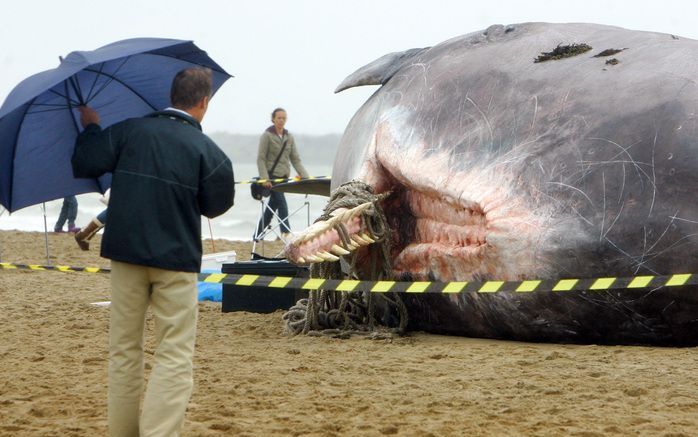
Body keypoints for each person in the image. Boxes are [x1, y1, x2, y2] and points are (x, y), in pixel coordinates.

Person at [71, 67, 235, 437]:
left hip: (126, 254)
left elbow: (86, 161)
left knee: (124, 350)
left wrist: (92, 125)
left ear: (171, 96)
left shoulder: (130, 131)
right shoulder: (208, 151)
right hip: (175, 260)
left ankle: (122, 432)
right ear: (204, 102)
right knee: (174, 353)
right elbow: (216, 205)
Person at [254, 107, 309, 240]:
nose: (281, 120)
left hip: (284, 177)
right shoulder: (267, 135)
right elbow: (261, 158)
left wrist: (305, 176)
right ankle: (286, 232)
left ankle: (257, 235)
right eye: (279, 118)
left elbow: (295, 158)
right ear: (273, 119)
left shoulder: (289, 137)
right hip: (271, 178)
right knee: (282, 204)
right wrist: (264, 178)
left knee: (271, 207)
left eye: (284, 118)